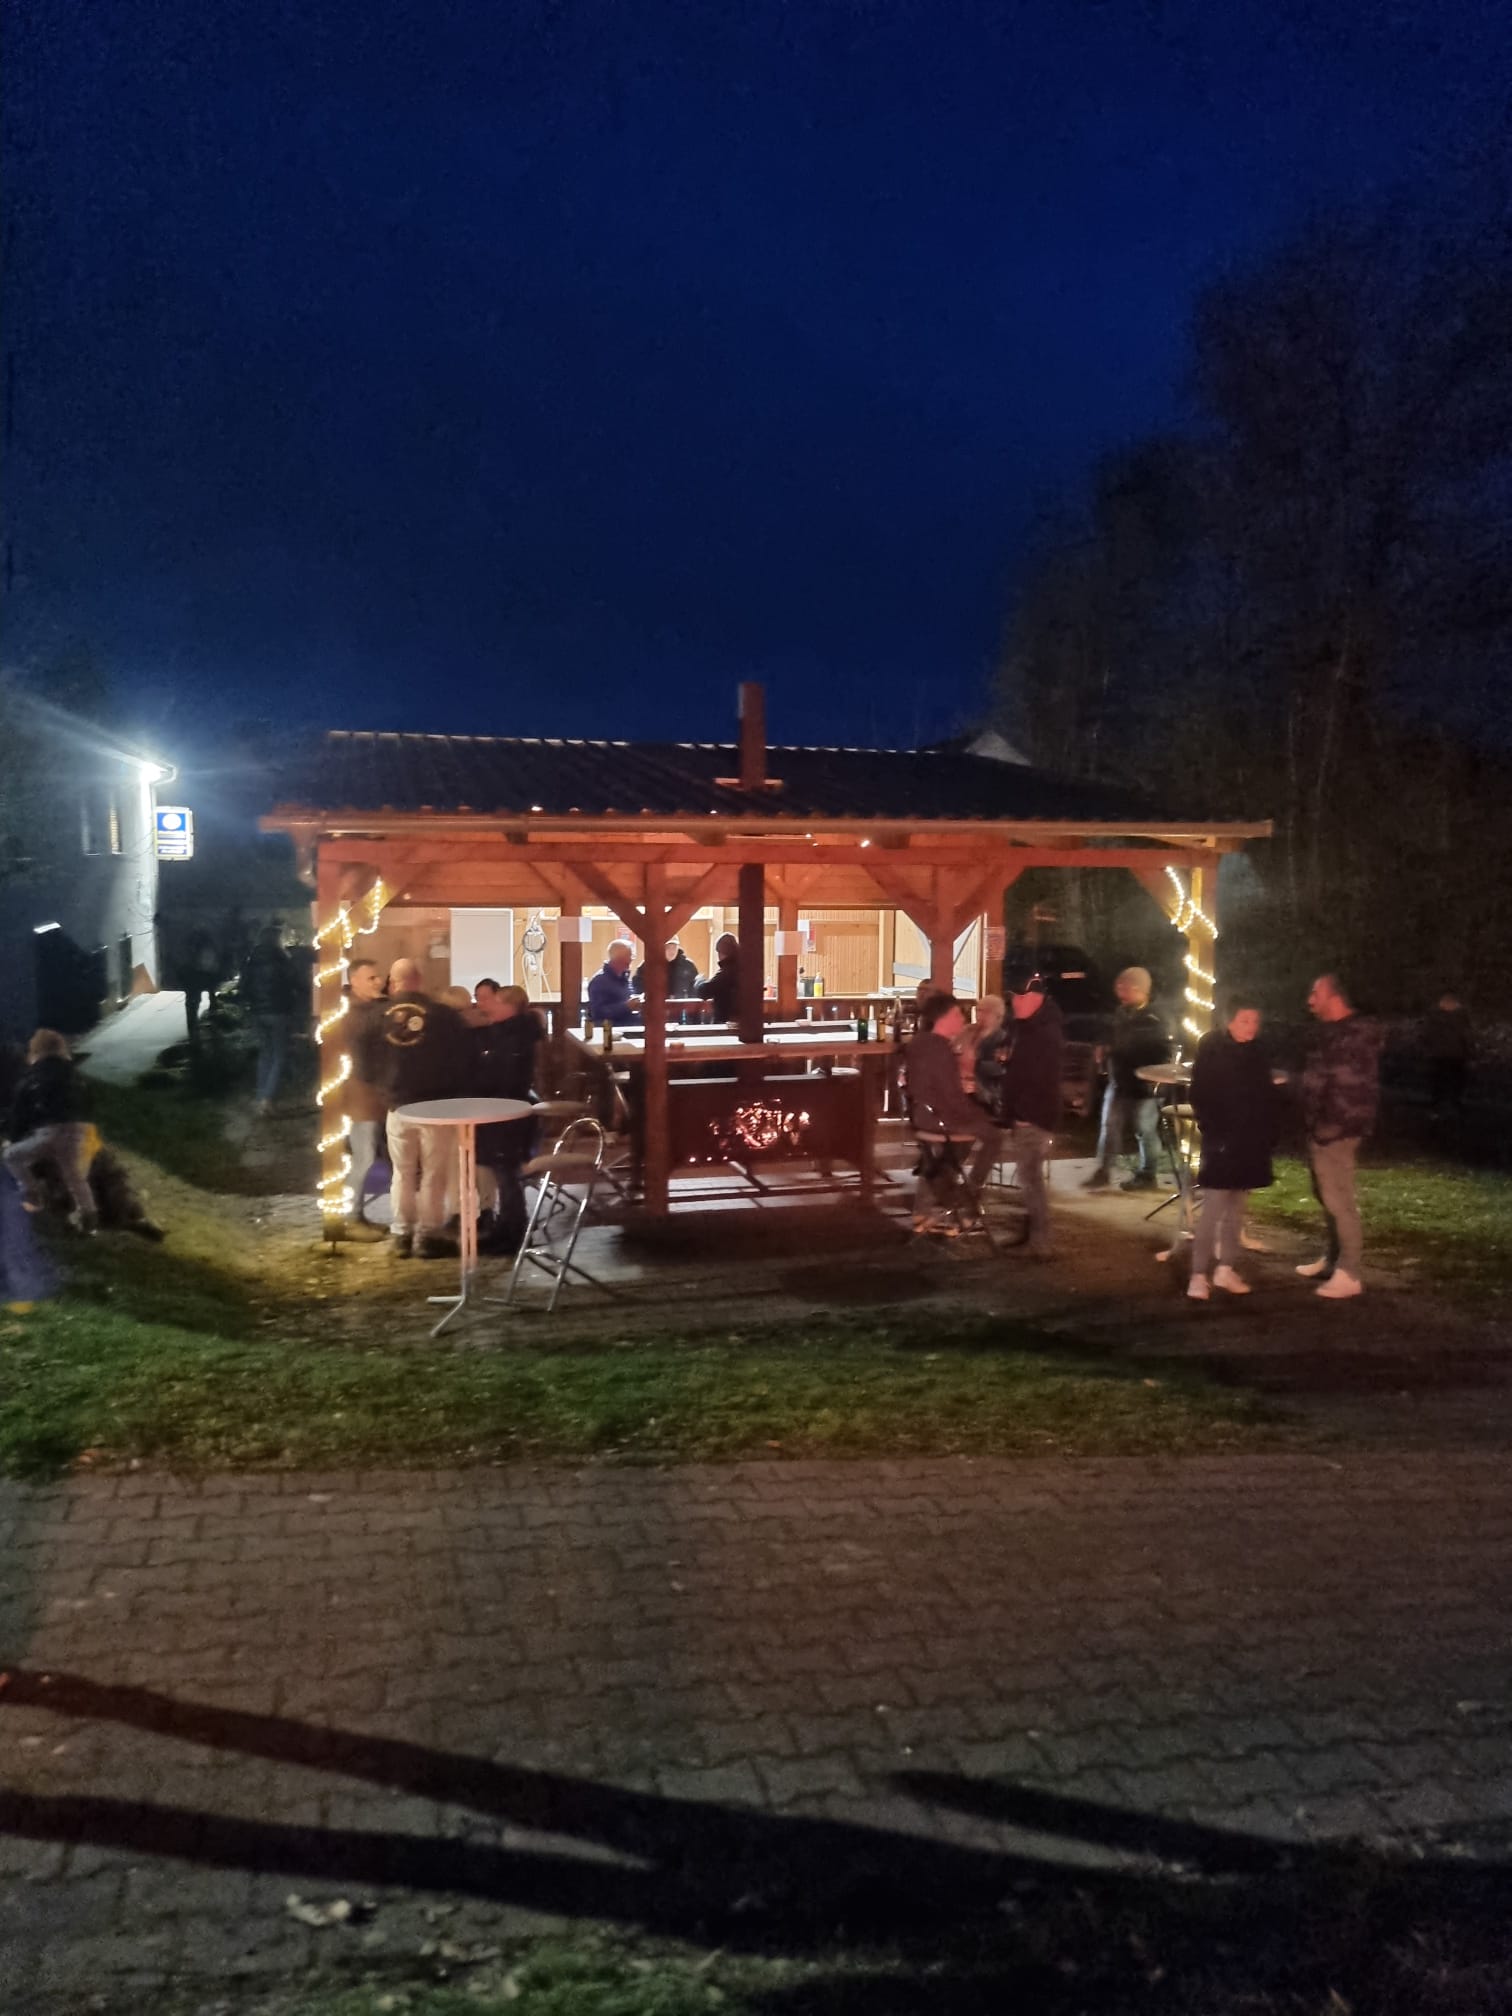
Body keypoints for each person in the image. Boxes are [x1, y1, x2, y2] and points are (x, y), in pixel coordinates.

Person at [1186, 994, 1280, 1302]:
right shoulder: (1212, 1047)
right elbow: (1200, 1093)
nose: (1251, 1026)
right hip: (1222, 1141)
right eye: (1244, 1020)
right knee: (1213, 1208)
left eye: (1255, 1021)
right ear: (1229, 1021)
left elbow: (1266, 1096)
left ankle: (1226, 1267)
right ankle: (1198, 1274)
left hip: (1251, 1141)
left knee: (1237, 1211)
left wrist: (1267, 1134)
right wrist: (1213, 1130)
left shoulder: (1258, 1052)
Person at [1297, 973, 1381, 1300]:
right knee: (1326, 1196)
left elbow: (1343, 1087)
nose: (1309, 1000)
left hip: (1337, 1130)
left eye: (1315, 993)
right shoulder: (1333, 1033)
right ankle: (1334, 1260)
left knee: (1339, 1200)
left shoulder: (1352, 1037)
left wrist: (1327, 1127)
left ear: (1334, 997)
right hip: (1324, 1127)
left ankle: (1350, 1272)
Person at [377, 957, 468, 1259]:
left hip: (397, 1104)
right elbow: (462, 1058)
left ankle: (401, 1234)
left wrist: (383, 1086)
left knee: (402, 1173)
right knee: (433, 1174)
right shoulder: (444, 1015)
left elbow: (365, 1058)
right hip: (435, 1106)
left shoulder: (378, 1016)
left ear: (394, 983)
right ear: (419, 980)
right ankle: (427, 1236)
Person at [903, 993, 1000, 1234]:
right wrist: (978, 1113)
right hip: (940, 1119)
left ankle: (924, 1211)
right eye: (957, 1014)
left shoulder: (919, 1043)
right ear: (944, 1017)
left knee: (944, 1153)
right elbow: (952, 1098)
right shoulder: (941, 1049)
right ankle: (967, 1202)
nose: (962, 1019)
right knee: (993, 1135)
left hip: (922, 1116)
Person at [471, 981, 544, 1253]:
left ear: (510, 1007)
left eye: (498, 1002)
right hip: (509, 1106)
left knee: (506, 1169)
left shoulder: (512, 1036)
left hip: (506, 1108)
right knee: (506, 1169)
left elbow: (503, 1074)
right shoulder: (519, 1031)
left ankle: (513, 1230)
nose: (491, 1007)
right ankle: (509, 1224)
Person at [996, 968, 1064, 1259]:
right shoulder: (1028, 1027)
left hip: (1033, 1116)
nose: (1014, 1003)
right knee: (1028, 1179)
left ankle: (1040, 1244)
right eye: (1013, 997)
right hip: (1028, 1113)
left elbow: (1035, 1079)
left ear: (1036, 998)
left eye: (1020, 998)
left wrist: (1022, 1113)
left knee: (1031, 1180)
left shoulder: (1043, 1034)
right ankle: (1031, 1235)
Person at [1084, 966, 1170, 1192]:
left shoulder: (1155, 1018)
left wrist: (1122, 1050)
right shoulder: (1121, 1013)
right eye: (1119, 987)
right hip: (1120, 1082)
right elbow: (1109, 1035)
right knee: (1109, 1127)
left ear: (1139, 989)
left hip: (1146, 1086)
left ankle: (1147, 1174)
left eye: (1125, 988)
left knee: (1144, 1130)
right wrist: (1103, 1046)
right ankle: (1103, 1171)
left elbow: (1157, 1050)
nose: (1120, 992)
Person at [4, 1029, 98, 1233]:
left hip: (52, 1132)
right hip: (83, 1132)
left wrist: (14, 1138)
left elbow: (20, 1114)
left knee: (11, 1156)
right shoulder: (77, 1076)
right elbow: (89, 1103)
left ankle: (33, 1194)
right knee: (75, 1176)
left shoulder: (34, 1077)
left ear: (36, 1051)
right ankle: (89, 1217)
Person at [341, 958, 389, 1227]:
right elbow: (362, 1052)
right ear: (354, 981)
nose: (378, 982)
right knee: (364, 1157)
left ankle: (359, 1215)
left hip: (380, 1095)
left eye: (378, 977)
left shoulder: (377, 1008)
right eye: (371, 978)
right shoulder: (350, 1013)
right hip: (361, 1097)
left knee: (380, 1155)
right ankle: (351, 1215)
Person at [240, 925, 298, 1114]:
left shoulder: (252, 960)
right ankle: (267, 1098)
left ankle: (260, 1096)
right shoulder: (282, 959)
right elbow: (293, 982)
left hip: (258, 1013)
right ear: (276, 940)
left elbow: (244, 986)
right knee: (279, 1055)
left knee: (265, 1054)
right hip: (278, 1012)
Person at [1424, 991, 1473, 1118]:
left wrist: (1427, 1049)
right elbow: (1466, 1035)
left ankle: (1436, 1106)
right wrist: (1470, 1052)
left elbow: (1427, 1033)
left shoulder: (1433, 1014)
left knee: (1438, 1080)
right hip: (1456, 1053)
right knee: (1457, 1080)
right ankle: (1455, 1105)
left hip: (1437, 1053)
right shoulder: (1461, 1015)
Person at [955, 994, 1005, 1102]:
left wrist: (976, 1084)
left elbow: (1000, 1071)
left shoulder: (1002, 1039)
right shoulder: (966, 1031)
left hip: (983, 1095)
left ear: (998, 1016)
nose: (980, 1015)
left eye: (987, 1012)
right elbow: (951, 1050)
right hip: (957, 1087)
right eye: (978, 1010)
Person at [587, 941, 642, 1026]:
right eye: (629, 955)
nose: (632, 959)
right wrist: (626, 1006)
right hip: (611, 1030)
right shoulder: (599, 981)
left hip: (631, 1026)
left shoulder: (624, 978)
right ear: (618, 958)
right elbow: (598, 1012)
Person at [634, 938, 700, 1002]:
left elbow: (695, 987)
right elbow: (637, 985)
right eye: (668, 947)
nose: (672, 951)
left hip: (681, 1006)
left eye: (674, 947)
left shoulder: (688, 966)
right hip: (656, 1006)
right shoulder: (648, 965)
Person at [696, 934, 742, 1022]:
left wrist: (699, 980)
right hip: (741, 1022)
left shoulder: (727, 972)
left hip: (726, 1023)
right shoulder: (742, 969)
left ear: (722, 953)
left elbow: (704, 991)